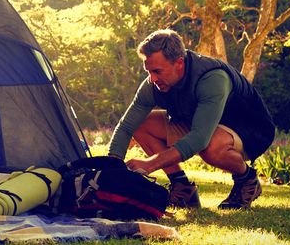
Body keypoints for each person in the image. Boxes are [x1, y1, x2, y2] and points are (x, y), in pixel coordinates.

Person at [107, 29, 276, 209]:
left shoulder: (213, 78)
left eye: (157, 71)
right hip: (200, 122)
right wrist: (110, 167)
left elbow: (199, 138)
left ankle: (247, 179)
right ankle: (183, 189)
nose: (152, 78)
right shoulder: (153, 84)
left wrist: (150, 164)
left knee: (210, 146)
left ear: (179, 63)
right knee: (141, 125)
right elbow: (127, 126)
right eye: (148, 71)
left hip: (249, 130)